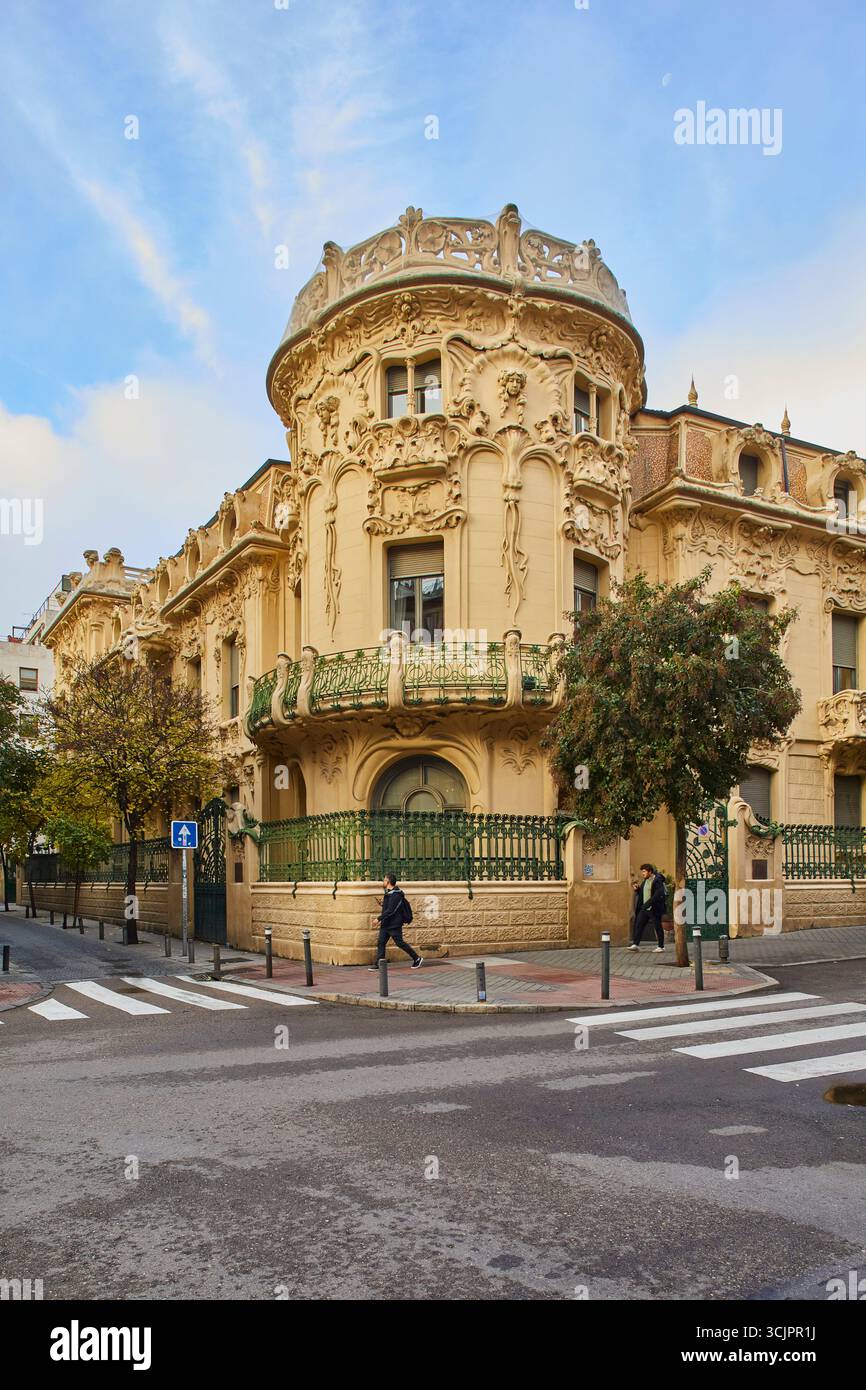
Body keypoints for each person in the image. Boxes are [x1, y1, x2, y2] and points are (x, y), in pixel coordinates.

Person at [368, 872, 423, 970]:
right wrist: (382, 904)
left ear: (388, 881)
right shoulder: (389, 893)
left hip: (394, 924)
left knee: (400, 943)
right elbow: (389, 908)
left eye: (384, 880)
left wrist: (378, 919)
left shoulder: (396, 895)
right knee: (381, 942)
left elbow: (391, 910)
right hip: (386, 924)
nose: (383, 881)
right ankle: (379, 964)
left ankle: (417, 958)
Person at [627, 862, 667, 952]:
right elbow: (644, 892)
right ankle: (635, 944)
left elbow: (657, 895)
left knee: (657, 926)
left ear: (650, 872)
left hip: (654, 908)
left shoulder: (657, 880)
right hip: (645, 908)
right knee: (639, 925)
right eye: (642, 871)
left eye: (644, 871)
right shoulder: (646, 880)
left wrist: (647, 904)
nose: (643, 873)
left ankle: (661, 946)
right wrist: (638, 890)